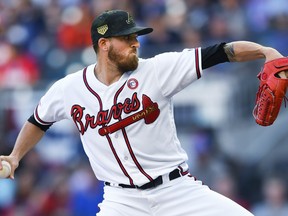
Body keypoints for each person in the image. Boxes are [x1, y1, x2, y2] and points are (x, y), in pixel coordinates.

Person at [0, 9, 287, 216]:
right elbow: (38, 121)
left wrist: (265, 51)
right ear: (104, 44)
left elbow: (221, 51)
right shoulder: (68, 89)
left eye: (135, 36)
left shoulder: (158, 70)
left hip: (177, 191)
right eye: (127, 38)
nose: (136, 42)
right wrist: (14, 157)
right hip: (120, 200)